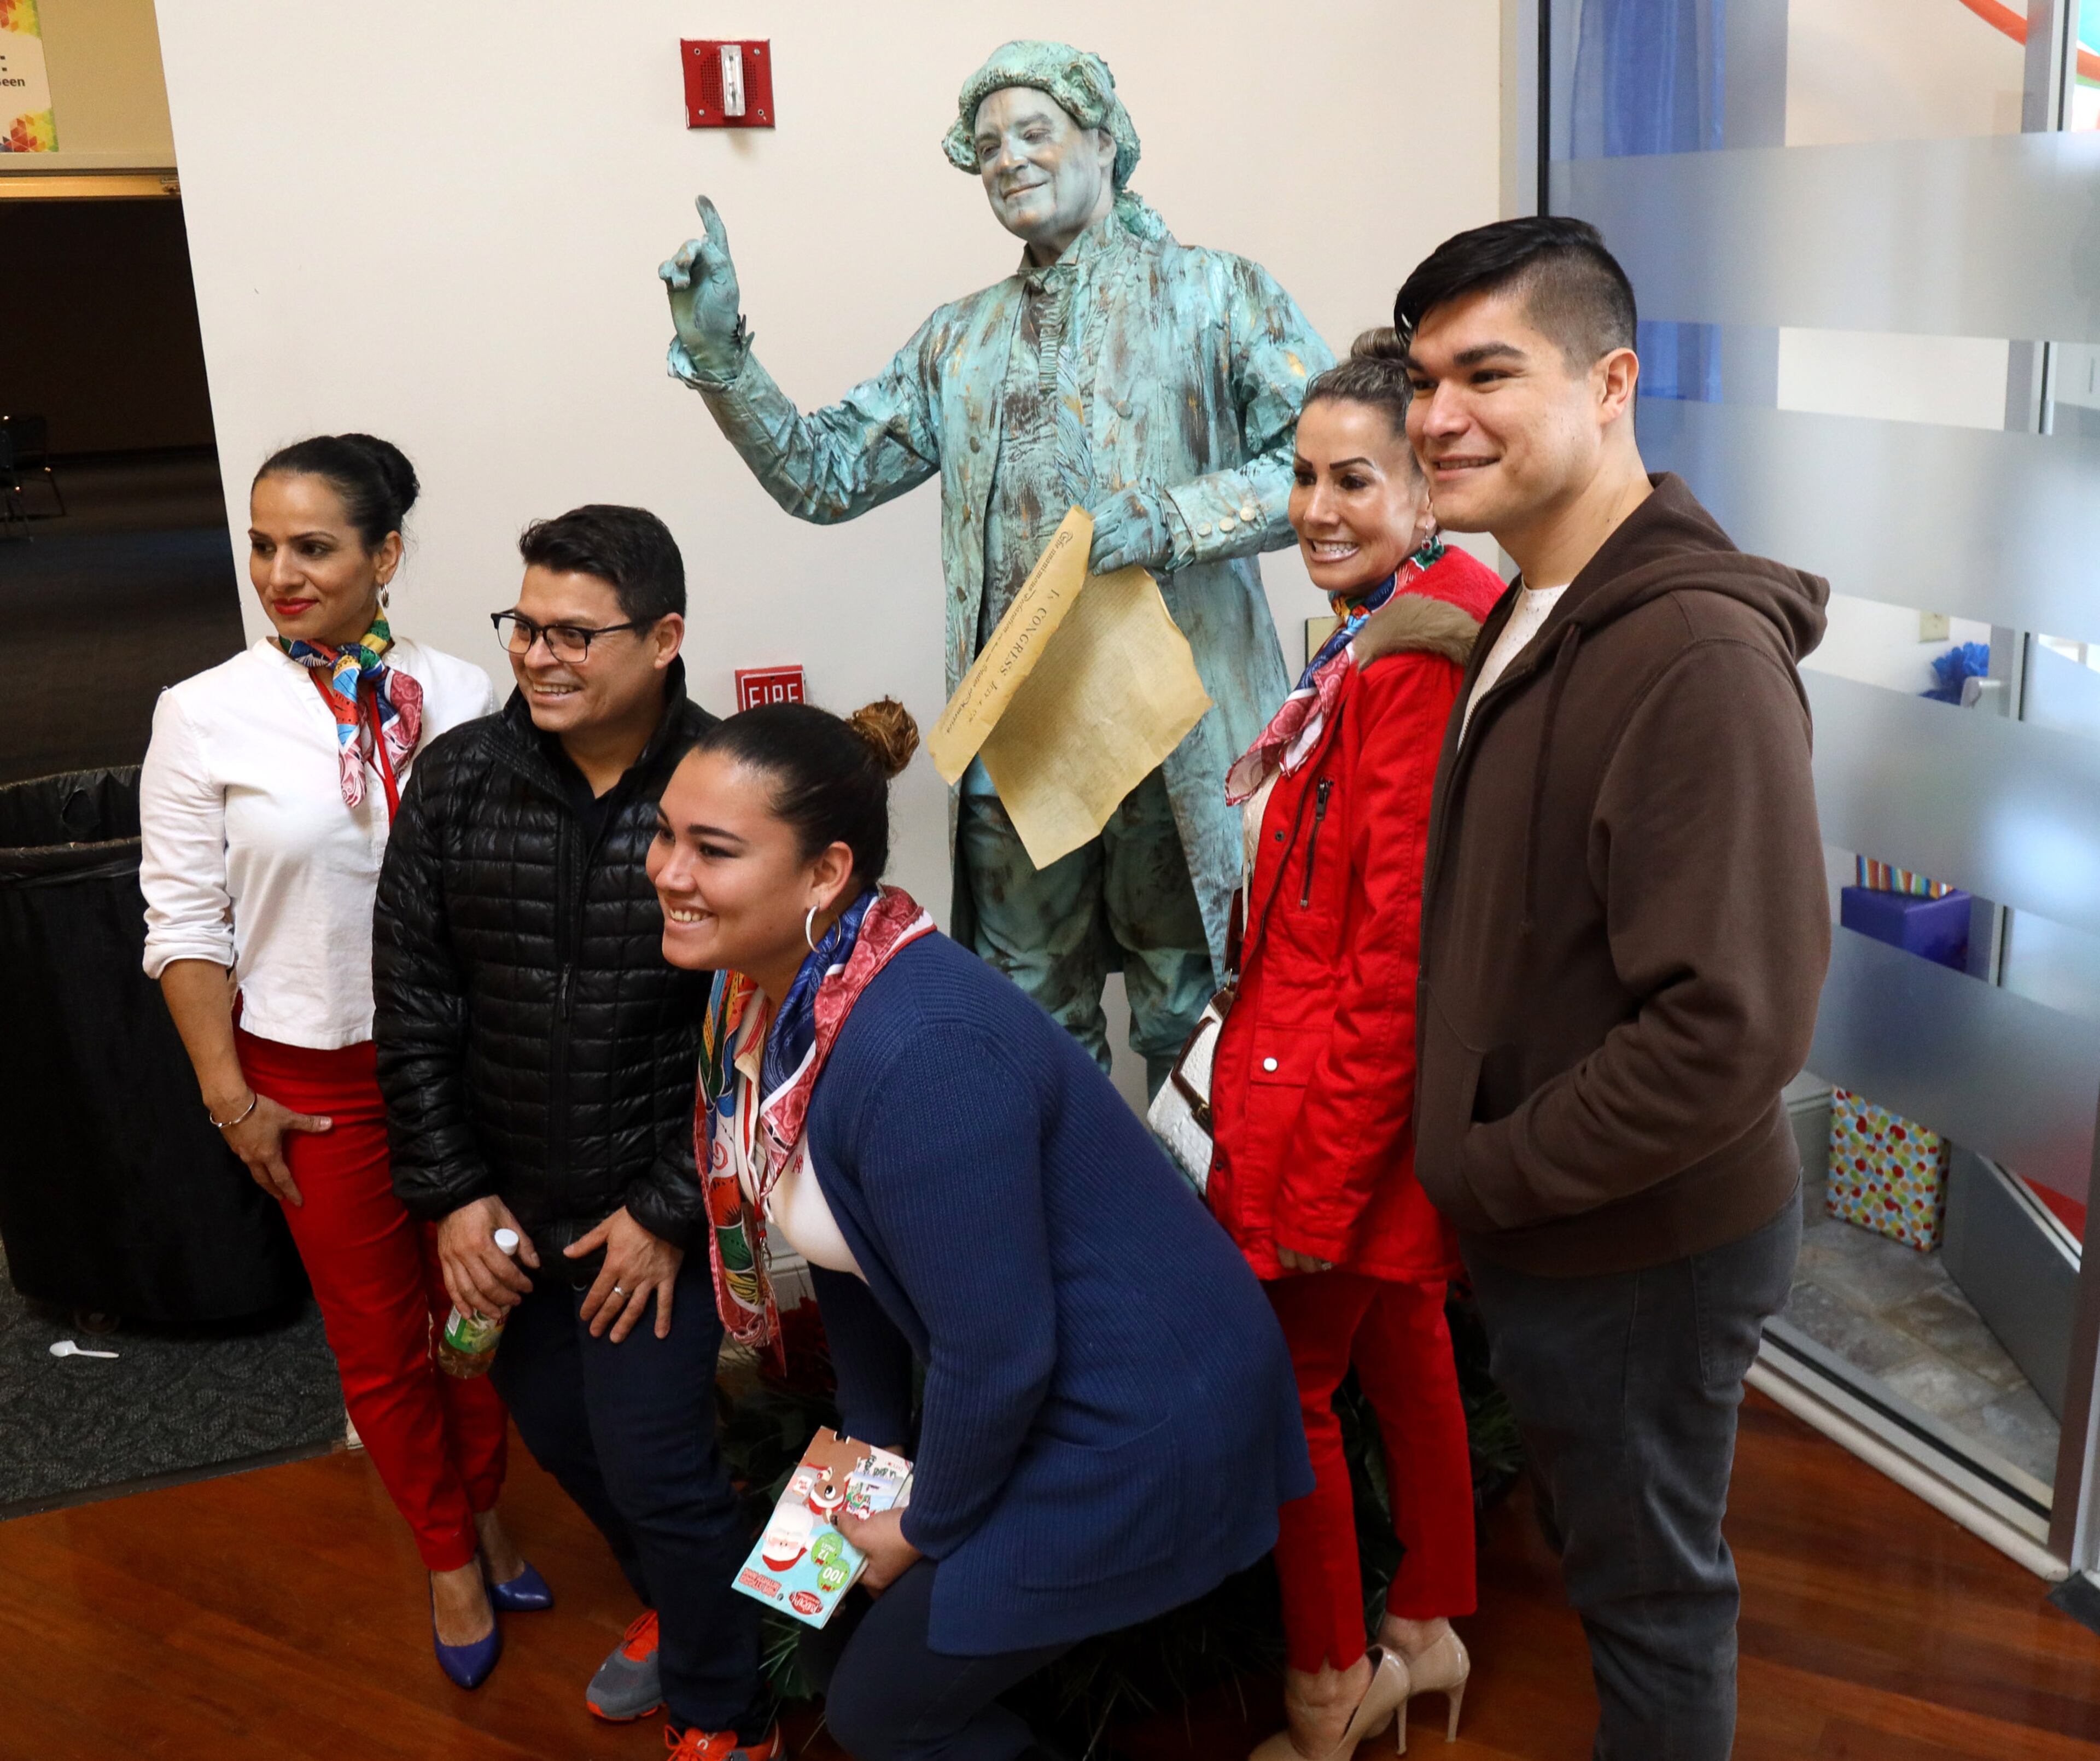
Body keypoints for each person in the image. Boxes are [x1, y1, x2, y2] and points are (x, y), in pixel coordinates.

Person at [658, 40, 1334, 1094]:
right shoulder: (958, 342)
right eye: (986, 148)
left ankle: (1194, 1242)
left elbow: (1325, 470)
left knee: (1189, 1005)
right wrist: (722, 360)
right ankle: (1061, 1231)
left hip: (1178, 724)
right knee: (1029, 1012)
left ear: (1104, 140)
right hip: (1021, 739)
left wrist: (1168, 516)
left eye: (1033, 133)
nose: (1006, 161)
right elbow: (823, 476)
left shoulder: (1217, 294)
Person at [648, 698, 1314, 1761]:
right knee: (806, 1606)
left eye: (711, 848)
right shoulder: (772, 998)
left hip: (1133, 1420)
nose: (667, 871)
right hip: (1025, 1381)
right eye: (666, 834)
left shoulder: (921, 1049)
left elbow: (999, 1352)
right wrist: (868, 1452)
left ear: (824, 874)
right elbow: (850, 1254)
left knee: (878, 1712)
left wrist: (915, 1524)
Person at [1399, 217, 1829, 1759]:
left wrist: (1496, 1172)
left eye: (1488, 371)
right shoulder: (1520, 607)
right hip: (1555, 1224)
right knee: (1613, 1574)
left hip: (1636, 1240)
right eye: (1425, 376)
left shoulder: (1695, 655)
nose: (1438, 415)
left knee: (1652, 1605)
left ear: (1611, 383)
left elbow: (1731, 1024)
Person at [370, 506, 768, 1757]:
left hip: (654, 1209)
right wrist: (450, 1195)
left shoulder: (727, 788)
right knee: (562, 1436)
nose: (540, 655)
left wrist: (663, 1208)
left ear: (663, 638)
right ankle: (695, 1602)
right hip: (508, 1211)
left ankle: (728, 1707)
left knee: (654, 1454)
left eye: (573, 633)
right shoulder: (458, 779)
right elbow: (416, 1004)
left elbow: (763, 1030)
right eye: (525, 626)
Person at [141, 433, 534, 1689]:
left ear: (387, 555)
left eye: (313, 546)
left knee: (478, 1318)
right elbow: (184, 924)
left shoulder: (467, 692)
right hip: (311, 1085)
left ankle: (488, 1496)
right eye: (263, 544)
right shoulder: (204, 712)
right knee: (381, 1341)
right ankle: (447, 1552)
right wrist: (228, 1095)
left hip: (468, 1075)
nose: (280, 572)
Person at [1205, 333, 1504, 1761]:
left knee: (1289, 1384)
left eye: (1356, 480)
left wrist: (1314, 1186)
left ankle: (1331, 1686)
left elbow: (1394, 956)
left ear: (1428, 493)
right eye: (1306, 475)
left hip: (1344, 1101)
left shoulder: (1413, 658)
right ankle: (1432, 1620)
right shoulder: (1393, 622)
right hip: (1355, 1093)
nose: (1317, 506)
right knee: (1403, 1334)